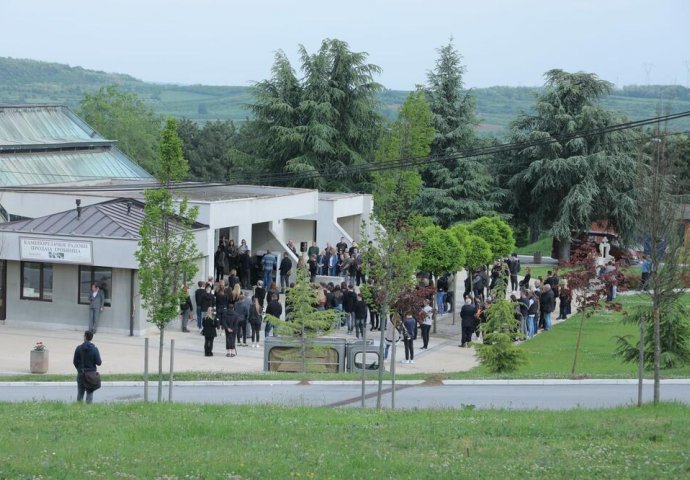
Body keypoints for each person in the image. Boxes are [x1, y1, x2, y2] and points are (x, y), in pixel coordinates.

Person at [73, 330, 102, 404]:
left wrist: (79, 369)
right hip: (91, 375)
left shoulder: (79, 348)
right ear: (91, 338)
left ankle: (79, 409)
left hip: (81, 373)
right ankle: (88, 409)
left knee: (80, 393)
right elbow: (99, 363)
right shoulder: (95, 349)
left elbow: (75, 362)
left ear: (85, 337)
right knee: (89, 393)